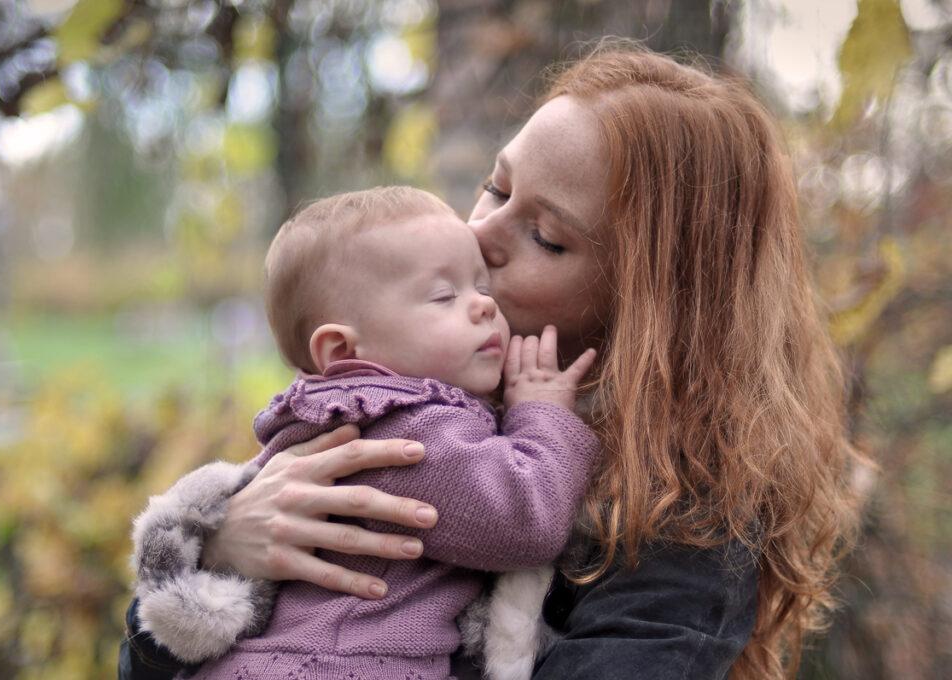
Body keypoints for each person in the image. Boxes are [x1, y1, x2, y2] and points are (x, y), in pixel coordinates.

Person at [120, 44, 862, 680]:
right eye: (496, 188)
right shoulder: (423, 391)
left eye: (546, 237)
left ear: (653, 301)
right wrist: (222, 543)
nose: (479, 235)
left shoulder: (686, 524)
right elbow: (148, 661)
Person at [129, 186, 601, 680]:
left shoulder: (325, 417)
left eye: (482, 289)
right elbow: (524, 522)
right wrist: (543, 415)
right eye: (444, 296)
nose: (484, 307)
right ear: (341, 350)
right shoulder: (404, 430)